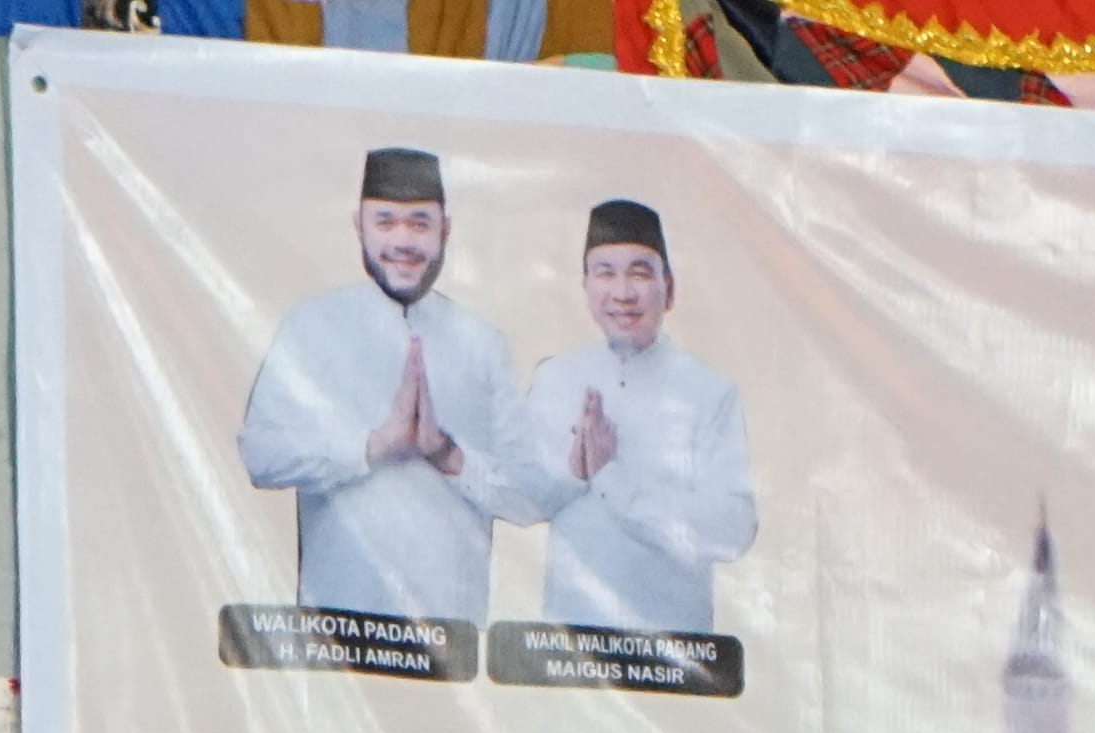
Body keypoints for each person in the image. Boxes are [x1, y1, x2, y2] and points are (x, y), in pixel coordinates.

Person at [234, 144, 550, 622]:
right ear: (358, 225)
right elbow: (260, 456)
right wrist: (372, 446)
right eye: (385, 221)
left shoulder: (482, 343)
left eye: (419, 223)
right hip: (338, 626)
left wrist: (447, 454)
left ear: (446, 230)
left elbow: (529, 497)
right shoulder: (312, 324)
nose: (403, 240)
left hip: (453, 640)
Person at [515, 198, 756, 635]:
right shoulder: (555, 379)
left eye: (639, 273)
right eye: (605, 273)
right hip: (571, 647)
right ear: (585, 286)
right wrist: (573, 472)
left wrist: (612, 479)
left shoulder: (709, 392)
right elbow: (522, 503)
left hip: (673, 651)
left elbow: (733, 530)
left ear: (670, 288)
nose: (623, 293)